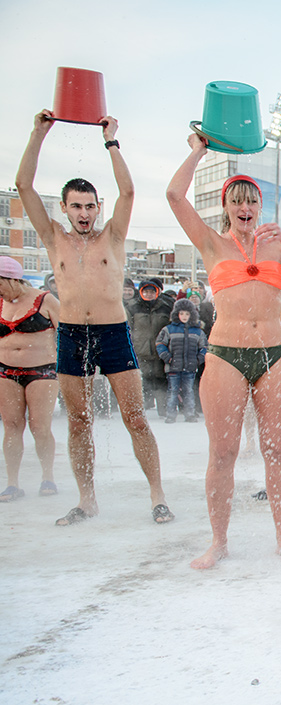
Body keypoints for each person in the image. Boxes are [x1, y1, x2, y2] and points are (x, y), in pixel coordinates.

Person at [167, 139, 281, 568]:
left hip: (275, 355)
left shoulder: (276, 244)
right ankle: (219, 542)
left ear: (260, 207)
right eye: (237, 201)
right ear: (227, 207)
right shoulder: (209, 242)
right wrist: (198, 151)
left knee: (276, 451)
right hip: (225, 355)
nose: (245, 207)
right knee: (223, 454)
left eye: (252, 201)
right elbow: (173, 195)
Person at [16, 110, 173, 526]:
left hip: (112, 332)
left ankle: (157, 495)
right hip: (71, 333)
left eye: (90, 206)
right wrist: (38, 134)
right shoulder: (54, 238)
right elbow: (23, 186)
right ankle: (87, 500)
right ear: (65, 209)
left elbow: (128, 192)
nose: (84, 213)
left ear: (97, 207)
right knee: (79, 421)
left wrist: (111, 142)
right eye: (76, 206)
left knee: (135, 417)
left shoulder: (112, 236)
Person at [0, 256, 61, 500]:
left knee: (39, 426)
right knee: (12, 426)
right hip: (5, 370)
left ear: (12, 278)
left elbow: (67, 335)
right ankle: (13, 483)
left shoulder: (45, 300)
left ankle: (48, 477)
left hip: (41, 371)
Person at [125, 277, 174, 416]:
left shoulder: (166, 306)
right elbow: (127, 328)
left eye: (152, 292)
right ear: (140, 292)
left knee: (160, 378)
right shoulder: (132, 307)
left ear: (157, 292)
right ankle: (144, 408)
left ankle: (163, 409)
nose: (149, 294)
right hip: (140, 350)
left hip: (160, 351)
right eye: (145, 291)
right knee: (144, 379)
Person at [154, 297, 207, 424]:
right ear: (176, 314)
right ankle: (170, 415)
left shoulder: (198, 331)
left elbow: (205, 347)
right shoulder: (168, 329)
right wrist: (167, 357)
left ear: (192, 315)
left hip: (190, 367)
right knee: (173, 392)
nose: (184, 316)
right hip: (172, 367)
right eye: (181, 313)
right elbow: (160, 343)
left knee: (189, 391)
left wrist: (198, 359)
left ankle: (189, 414)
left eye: (187, 314)